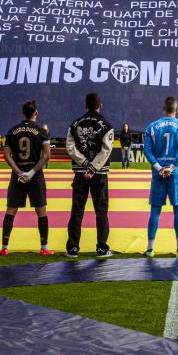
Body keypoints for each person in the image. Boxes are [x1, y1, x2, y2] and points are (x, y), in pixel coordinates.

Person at [0, 99, 52, 256]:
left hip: (18, 176)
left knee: (11, 210)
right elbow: (47, 155)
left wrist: (18, 172)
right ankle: (44, 248)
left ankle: (4, 247)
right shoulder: (42, 131)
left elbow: (6, 155)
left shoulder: (12, 131)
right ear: (36, 113)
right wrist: (32, 173)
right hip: (35, 176)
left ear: (23, 113)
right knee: (41, 210)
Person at [65, 92, 114, 258]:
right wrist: (93, 168)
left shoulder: (75, 124)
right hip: (99, 174)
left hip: (80, 173)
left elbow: (71, 148)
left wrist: (85, 164)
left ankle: (72, 248)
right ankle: (101, 248)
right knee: (101, 211)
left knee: (77, 211)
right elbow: (106, 151)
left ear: (86, 105)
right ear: (100, 105)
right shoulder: (106, 125)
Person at [143, 96, 178, 258]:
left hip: (158, 173)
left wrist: (158, 167)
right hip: (175, 172)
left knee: (155, 211)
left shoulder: (152, 127)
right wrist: (171, 167)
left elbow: (147, 151)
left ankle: (150, 249)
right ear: (176, 109)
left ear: (163, 108)